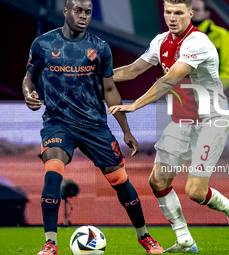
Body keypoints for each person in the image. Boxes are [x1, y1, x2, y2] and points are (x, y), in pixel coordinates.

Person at [22, 0, 163, 254]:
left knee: (120, 180)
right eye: (78, 10)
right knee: (53, 169)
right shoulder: (43, 44)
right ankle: (50, 243)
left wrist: (125, 130)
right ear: (66, 11)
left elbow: (110, 89)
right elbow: (29, 78)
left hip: (94, 125)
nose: (83, 16)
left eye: (87, 12)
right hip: (58, 122)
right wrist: (28, 94)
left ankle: (144, 236)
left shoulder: (100, 48)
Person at [108, 0, 229, 253]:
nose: (172, 17)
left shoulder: (198, 42)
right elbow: (132, 70)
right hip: (181, 121)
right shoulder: (161, 41)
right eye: (168, 12)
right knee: (158, 181)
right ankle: (185, 240)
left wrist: (135, 105)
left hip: (210, 122)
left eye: (178, 12)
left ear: (190, 14)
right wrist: (94, 73)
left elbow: (170, 79)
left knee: (195, 191)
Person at [191, 0, 229, 90]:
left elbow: (227, 71)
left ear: (206, 13)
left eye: (196, 10)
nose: (192, 13)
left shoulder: (221, 35)